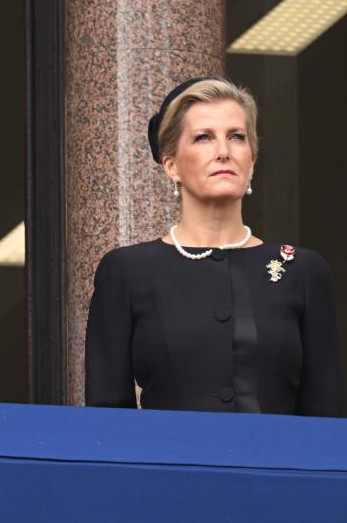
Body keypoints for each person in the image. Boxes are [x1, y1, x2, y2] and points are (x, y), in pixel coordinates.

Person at [85, 77, 344, 416]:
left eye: (237, 137)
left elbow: (326, 414)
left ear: (251, 160)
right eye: (203, 137)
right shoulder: (128, 271)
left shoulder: (303, 272)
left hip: (278, 466)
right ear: (171, 165)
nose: (224, 151)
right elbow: (107, 419)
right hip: (171, 466)